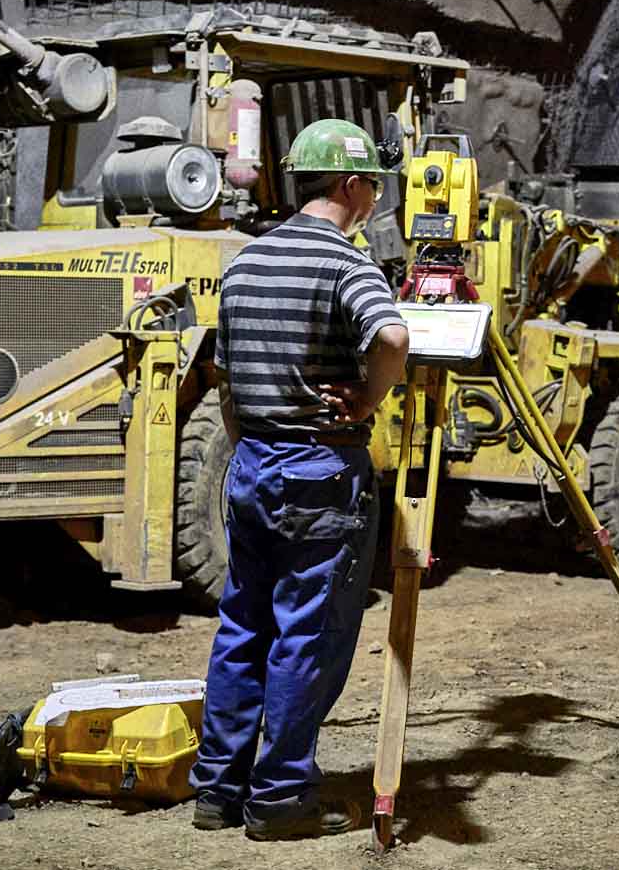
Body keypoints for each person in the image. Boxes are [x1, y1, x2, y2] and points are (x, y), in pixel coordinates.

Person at [189, 118, 410, 840]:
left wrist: (251, 439)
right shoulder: (347, 264)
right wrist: (371, 397)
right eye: (372, 182)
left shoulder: (244, 262)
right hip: (319, 469)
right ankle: (281, 799)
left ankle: (217, 792)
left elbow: (220, 374)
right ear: (350, 185)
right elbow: (395, 337)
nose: (375, 195)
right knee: (305, 636)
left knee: (243, 626)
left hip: (251, 467)